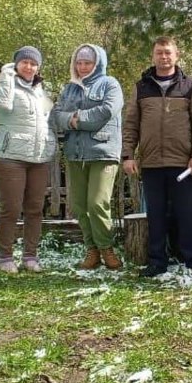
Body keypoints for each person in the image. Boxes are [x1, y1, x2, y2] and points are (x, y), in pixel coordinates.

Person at [121, 36, 192, 280]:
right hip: (151, 163)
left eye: (168, 53)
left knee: (187, 214)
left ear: (176, 55)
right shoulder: (141, 87)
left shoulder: (189, 87)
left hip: (182, 165)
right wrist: (128, 155)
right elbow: (131, 125)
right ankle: (157, 262)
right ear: (153, 55)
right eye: (159, 53)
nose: (164, 57)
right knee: (156, 215)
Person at [51, 44, 124, 271]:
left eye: (87, 63)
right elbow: (55, 115)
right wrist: (68, 119)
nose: (82, 67)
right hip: (75, 153)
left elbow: (105, 112)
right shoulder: (70, 89)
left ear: (97, 63)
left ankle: (107, 249)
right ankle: (92, 251)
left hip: (103, 152)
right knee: (79, 206)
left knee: (97, 202)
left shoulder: (110, 84)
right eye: (79, 63)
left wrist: (74, 119)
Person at [0, 46, 57, 274]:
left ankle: (30, 256)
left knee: (35, 208)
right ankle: (5, 257)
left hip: (39, 157)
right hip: (11, 157)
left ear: (38, 67)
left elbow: (50, 119)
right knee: (11, 208)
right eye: (24, 62)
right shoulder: (6, 85)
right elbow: (2, 105)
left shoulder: (41, 90)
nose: (29, 67)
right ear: (16, 64)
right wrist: (6, 76)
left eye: (33, 63)